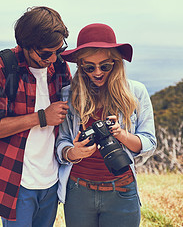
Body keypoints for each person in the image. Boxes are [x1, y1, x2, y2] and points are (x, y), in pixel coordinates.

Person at [0, 6, 71, 226]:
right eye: (46, 53)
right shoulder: (2, 67)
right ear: (26, 46)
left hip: (52, 180)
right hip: (18, 183)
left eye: (59, 50)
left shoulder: (59, 66)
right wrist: (40, 118)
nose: (53, 57)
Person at [55, 23, 157, 227]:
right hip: (78, 192)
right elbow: (62, 142)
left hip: (121, 190)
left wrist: (121, 134)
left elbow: (149, 142)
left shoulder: (136, 93)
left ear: (116, 63)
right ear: (80, 65)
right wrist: (74, 152)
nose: (98, 72)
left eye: (105, 66)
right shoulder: (68, 95)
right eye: (89, 67)